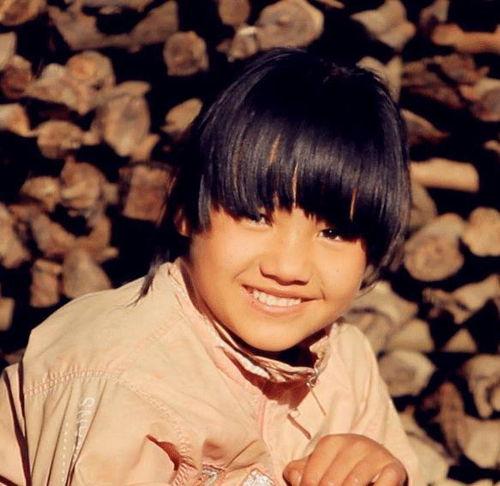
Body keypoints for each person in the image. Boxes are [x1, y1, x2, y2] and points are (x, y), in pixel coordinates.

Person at [0, 48, 422, 485]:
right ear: (184, 209)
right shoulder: (122, 376)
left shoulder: (344, 361)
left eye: (333, 233)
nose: (288, 267)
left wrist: (379, 472)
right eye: (256, 216)